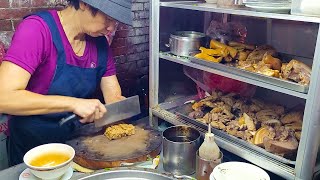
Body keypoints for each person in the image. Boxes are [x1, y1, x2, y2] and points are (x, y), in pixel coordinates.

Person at [0, 0, 132, 166]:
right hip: (32, 149)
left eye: (116, 22)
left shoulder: (100, 44)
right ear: (84, 3)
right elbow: (4, 98)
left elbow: (113, 97)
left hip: (76, 144)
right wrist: (73, 104)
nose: (112, 28)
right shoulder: (37, 30)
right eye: (108, 18)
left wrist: (117, 106)